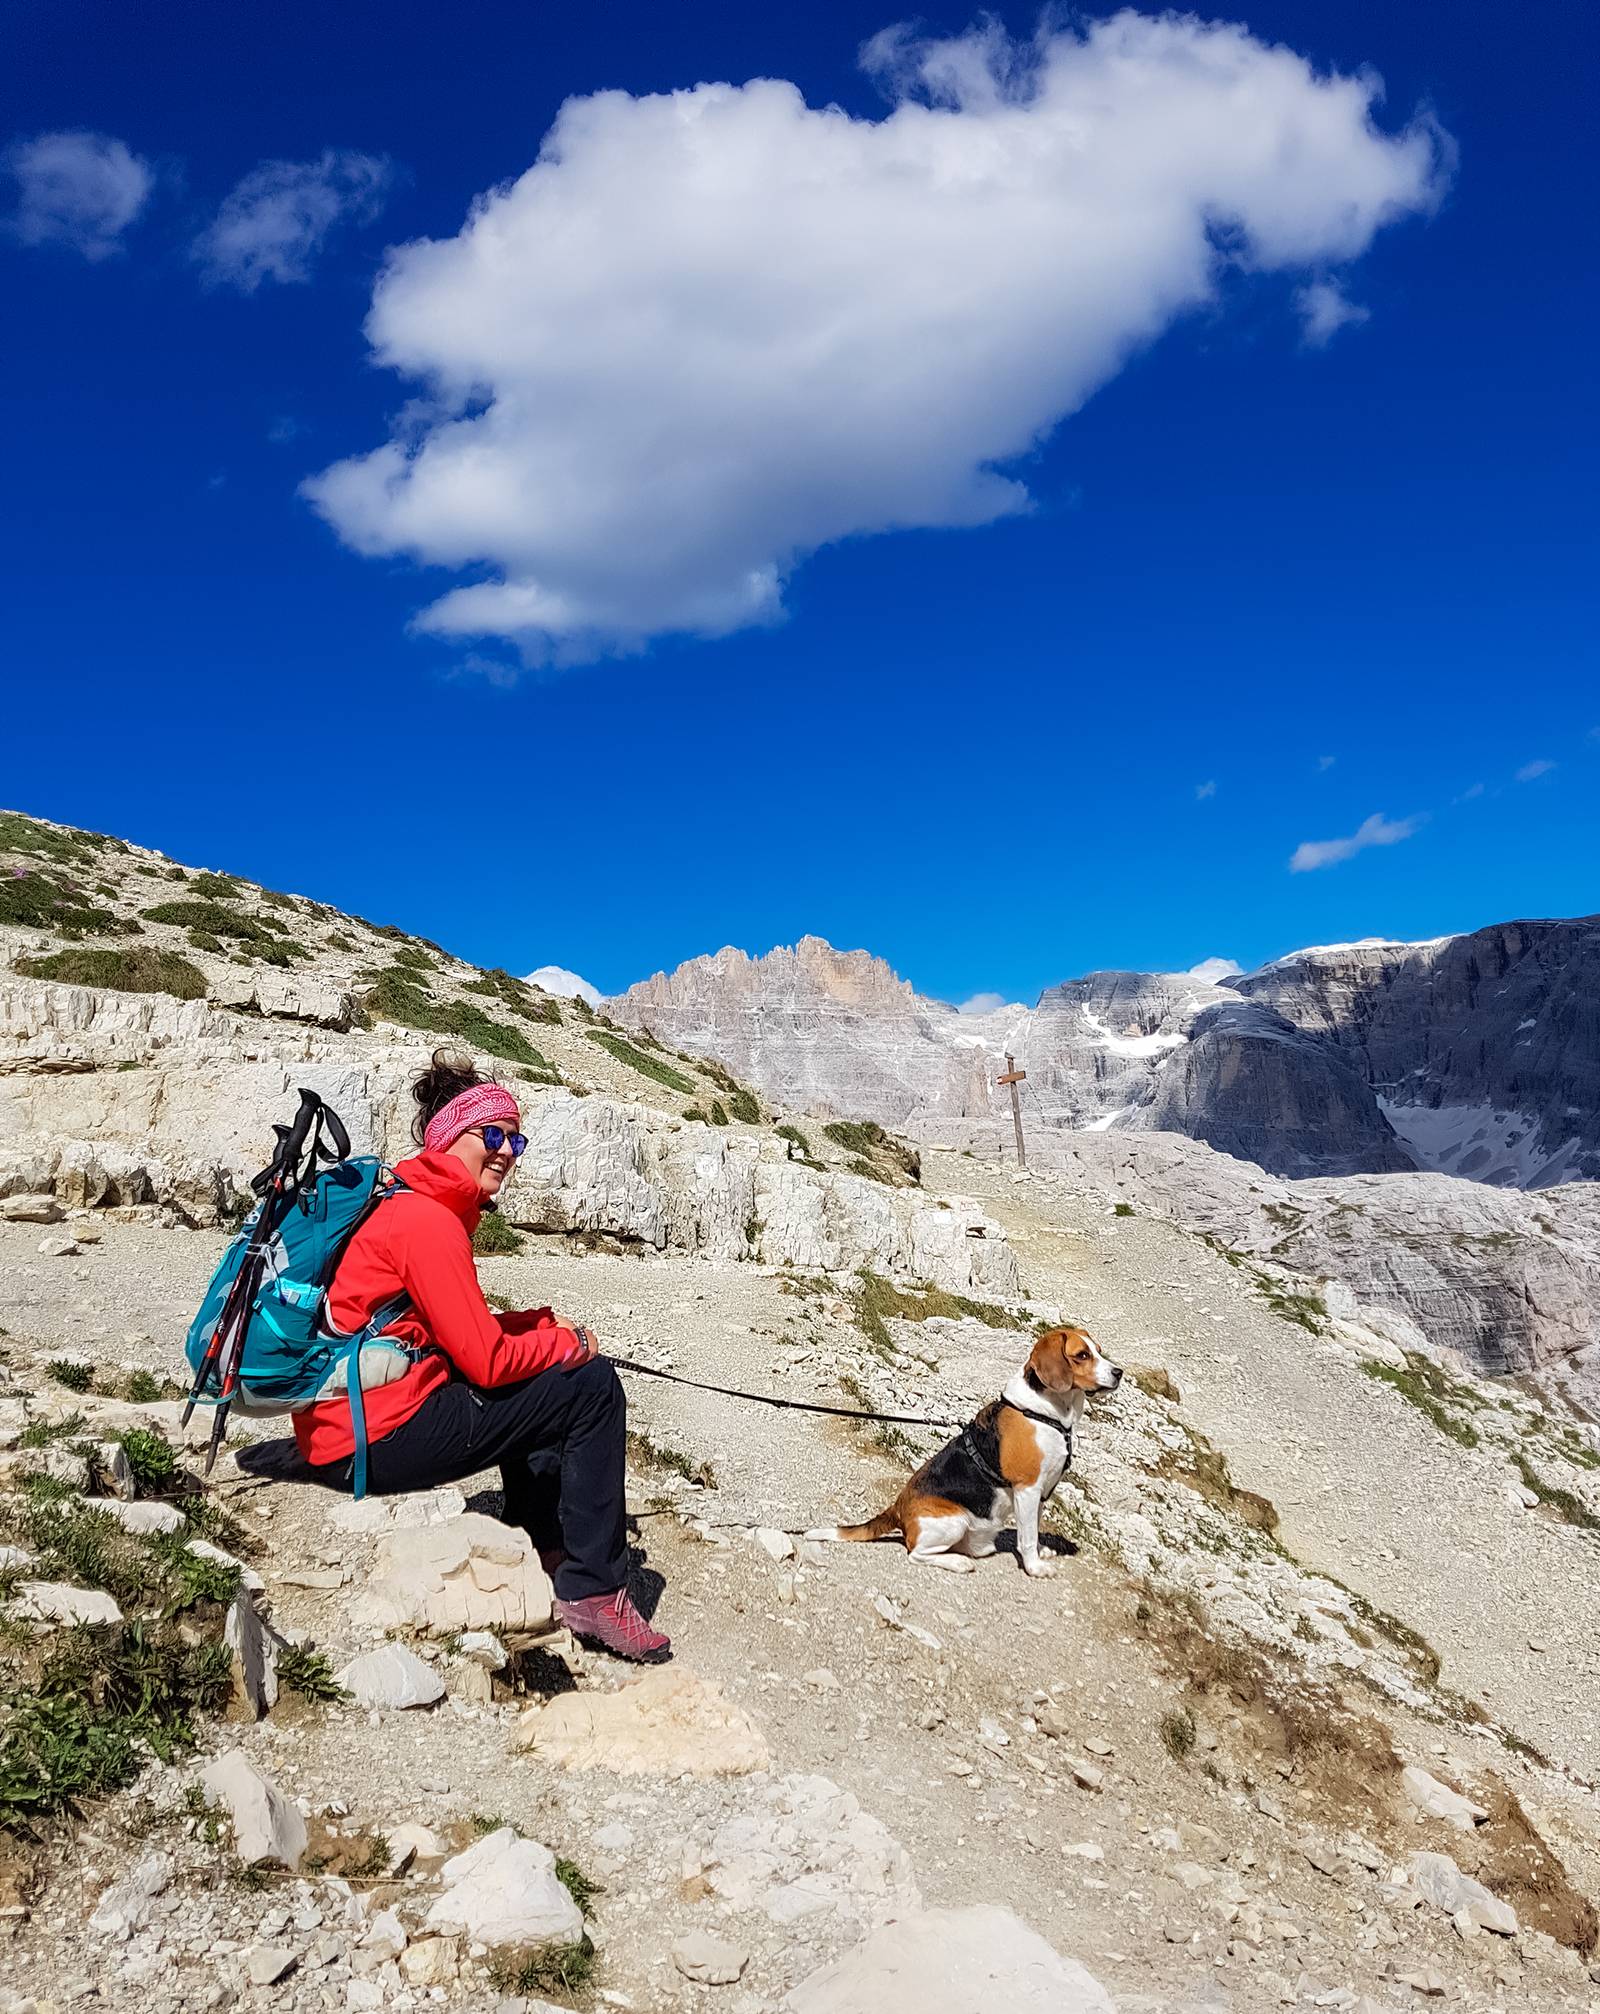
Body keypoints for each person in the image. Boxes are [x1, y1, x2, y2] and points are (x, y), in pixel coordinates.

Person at [295, 1049, 669, 1661]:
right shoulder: (429, 1223)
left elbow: (448, 1330)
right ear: (447, 1139)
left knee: (550, 1369)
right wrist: (566, 1343)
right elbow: (487, 1363)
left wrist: (538, 1327)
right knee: (591, 1385)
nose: (505, 1152)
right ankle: (596, 1590)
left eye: (515, 1142)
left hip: (350, 1426)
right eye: (491, 1135)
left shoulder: (411, 1204)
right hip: (373, 1438)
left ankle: (544, 1544)